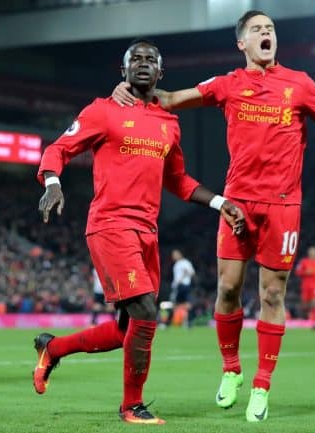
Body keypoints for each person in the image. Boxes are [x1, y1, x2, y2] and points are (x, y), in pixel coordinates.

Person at [112, 10, 315, 422]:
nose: (267, 34)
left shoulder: (300, 83)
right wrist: (129, 88)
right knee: (227, 289)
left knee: (273, 295)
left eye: (271, 30)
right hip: (238, 203)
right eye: (257, 30)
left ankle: (262, 385)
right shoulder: (229, 84)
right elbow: (171, 99)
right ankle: (231, 370)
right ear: (241, 43)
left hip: (282, 204)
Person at [33, 39, 245, 425]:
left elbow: (178, 181)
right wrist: (52, 182)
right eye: (136, 59)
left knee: (126, 329)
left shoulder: (169, 122)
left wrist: (220, 202)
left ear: (161, 73)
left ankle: (53, 348)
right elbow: (59, 149)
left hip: (148, 232)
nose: (143, 64)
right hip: (111, 225)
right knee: (147, 312)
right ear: (123, 70)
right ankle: (131, 405)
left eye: (151, 60)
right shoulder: (103, 110)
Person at [295, 246, 315, 330]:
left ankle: (314, 322)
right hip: (306, 286)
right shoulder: (303, 262)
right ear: (309, 253)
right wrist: (305, 272)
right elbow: (297, 272)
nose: (313, 254)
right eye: (312, 253)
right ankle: (305, 318)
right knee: (305, 305)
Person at [168, 249, 196, 328]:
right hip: (180, 286)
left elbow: (191, 272)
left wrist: (182, 278)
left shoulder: (184, 262)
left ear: (180, 254)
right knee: (181, 304)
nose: (173, 256)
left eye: (175, 254)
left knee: (176, 304)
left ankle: (167, 323)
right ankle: (187, 322)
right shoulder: (177, 264)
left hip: (183, 286)